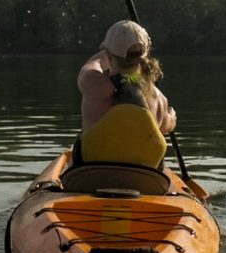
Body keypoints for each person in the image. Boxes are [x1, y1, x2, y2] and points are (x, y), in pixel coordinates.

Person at [73, 20, 176, 166]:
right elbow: (167, 125)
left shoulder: (93, 83)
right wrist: (171, 118)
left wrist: (110, 49)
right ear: (144, 54)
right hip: (144, 180)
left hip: (92, 173)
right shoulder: (159, 99)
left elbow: (92, 64)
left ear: (109, 54)